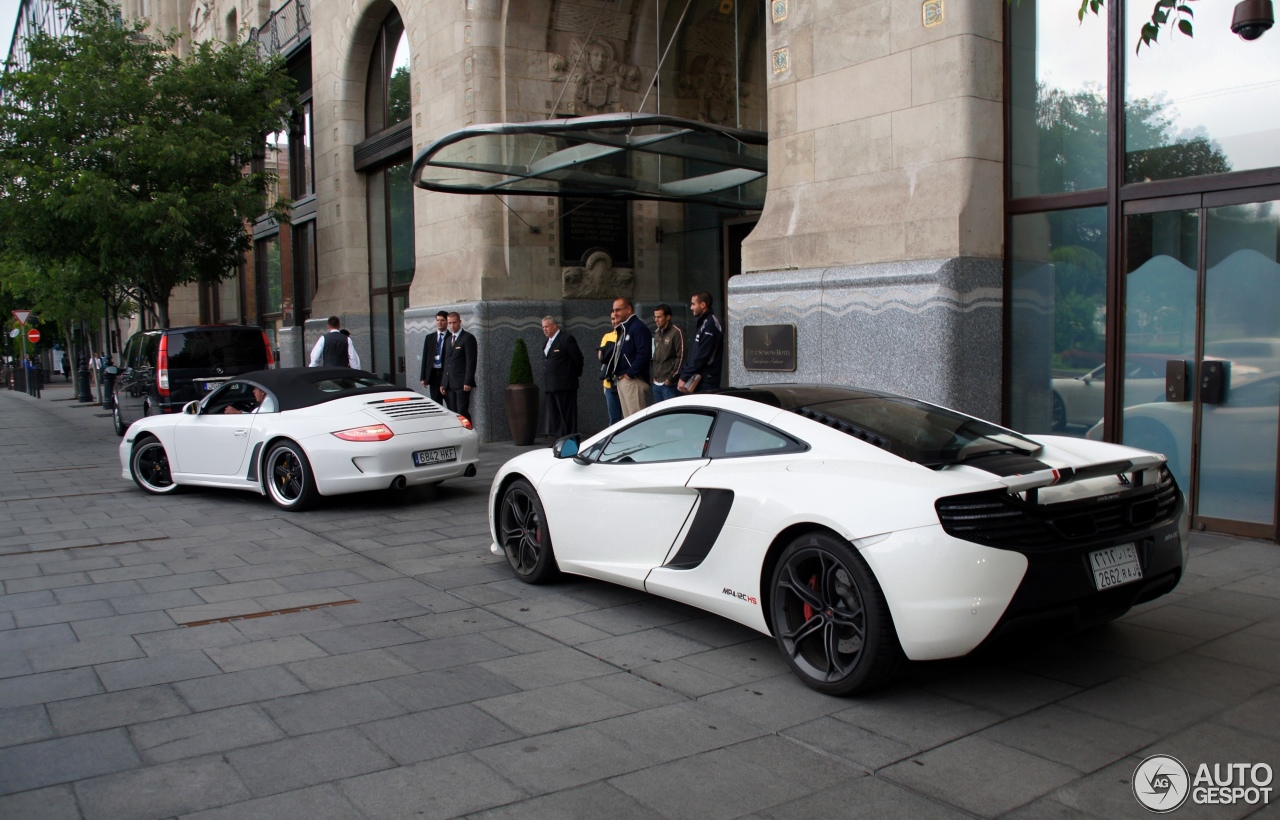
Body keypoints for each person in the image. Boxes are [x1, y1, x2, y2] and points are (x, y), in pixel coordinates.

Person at [541, 316, 584, 437]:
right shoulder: (546, 343)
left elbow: (578, 359)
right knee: (555, 417)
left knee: (567, 416)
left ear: (554, 326)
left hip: (565, 386)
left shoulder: (566, 339)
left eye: (547, 326)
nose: (544, 329)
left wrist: (572, 376)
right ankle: (559, 440)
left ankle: (569, 441)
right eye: (543, 327)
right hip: (550, 386)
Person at [611, 297, 652, 417]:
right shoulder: (624, 328)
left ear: (628, 309)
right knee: (629, 421)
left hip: (633, 380)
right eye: (614, 310)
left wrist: (630, 373)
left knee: (637, 420)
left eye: (618, 310)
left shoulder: (638, 327)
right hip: (623, 380)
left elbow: (644, 354)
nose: (615, 313)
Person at [678, 291, 723, 394]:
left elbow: (702, 355)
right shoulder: (702, 323)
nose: (691, 307)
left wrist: (685, 376)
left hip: (706, 380)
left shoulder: (711, 324)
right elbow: (694, 353)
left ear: (703, 305)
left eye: (693, 304)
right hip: (697, 379)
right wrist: (684, 373)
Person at [441, 311, 477, 422]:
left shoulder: (468, 338)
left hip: (462, 383)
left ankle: (468, 433)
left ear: (460, 322)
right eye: (450, 323)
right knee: (453, 412)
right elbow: (446, 362)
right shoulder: (447, 340)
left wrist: (468, 381)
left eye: (454, 322)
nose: (452, 325)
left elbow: (471, 361)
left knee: (462, 412)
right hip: (450, 384)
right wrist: (443, 383)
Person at [650, 303, 684, 403]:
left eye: (659, 317)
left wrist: (671, 379)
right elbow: (655, 356)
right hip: (657, 382)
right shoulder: (657, 334)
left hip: (669, 384)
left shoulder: (676, 332)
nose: (656, 320)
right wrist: (654, 375)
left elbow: (681, 357)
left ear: (668, 317)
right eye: (655, 317)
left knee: (673, 415)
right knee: (660, 415)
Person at [418, 310, 449, 400]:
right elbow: (425, 358)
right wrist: (423, 377)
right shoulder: (429, 338)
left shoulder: (451, 337)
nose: (439, 322)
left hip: (446, 375)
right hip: (434, 376)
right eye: (438, 320)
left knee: (451, 405)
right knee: (436, 403)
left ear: (447, 321)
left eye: (442, 320)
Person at [598, 321, 623, 426]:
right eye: (613, 318)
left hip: (623, 380)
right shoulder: (608, 336)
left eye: (617, 318)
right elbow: (601, 356)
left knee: (627, 417)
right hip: (609, 382)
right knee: (614, 418)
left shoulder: (626, 335)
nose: (615, 321)